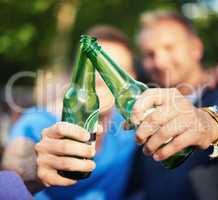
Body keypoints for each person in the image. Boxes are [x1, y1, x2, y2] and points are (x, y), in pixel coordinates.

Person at [125, 10, 218, 200]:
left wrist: (208, 122)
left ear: (195, 48)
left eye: (169, 47)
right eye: (149, 54)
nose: (159, 61)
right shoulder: (145, 109)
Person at [2, 25, 138, 200]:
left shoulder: (127, 128)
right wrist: (34, 170)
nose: (101, 76)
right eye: (94, 65)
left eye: (112, 68)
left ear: (131, 77)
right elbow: (16, 161)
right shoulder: (38, 120)